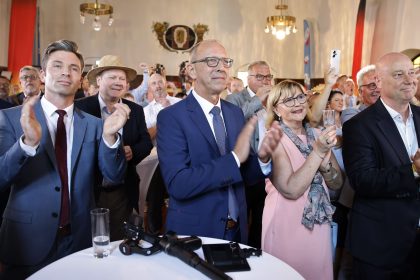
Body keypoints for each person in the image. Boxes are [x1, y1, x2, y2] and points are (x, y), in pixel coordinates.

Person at [0, 39, 129, 279]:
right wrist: (26, 145)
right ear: (42, 74)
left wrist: (111, 137)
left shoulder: (94, 125)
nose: (65, 73)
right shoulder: (11, 118)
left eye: (73, 68)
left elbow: (114, 175)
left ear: (81, 78)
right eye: (57, 66)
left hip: (80, 240)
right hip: (27, 240)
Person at [156, 40, 281, 243]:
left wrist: (263, 159)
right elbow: (179, 184)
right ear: (192, 71)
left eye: (225, 62)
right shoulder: (172, 117)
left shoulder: (234, 113)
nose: (221, 68)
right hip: (195, 232)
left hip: (236, 230)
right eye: (212, 61)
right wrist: (233, 159)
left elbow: (243, 173)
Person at [343, 52, 420, 279]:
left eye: (412, 72)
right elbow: (363, 180)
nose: (409, 80)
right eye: (399, 74)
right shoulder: (359, 126)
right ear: (378, 81)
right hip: (381, 243)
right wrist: (414, 170)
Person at [262, 80, 343, 280]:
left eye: (299, 97)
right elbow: (291, 189)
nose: (297, 104)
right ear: (276, 109)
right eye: (288, 100)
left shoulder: (317, 134)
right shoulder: (272, 139)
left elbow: (337, 183)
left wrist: (326, 169)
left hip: (318, 222)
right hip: (287, 222)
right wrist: (318, 152)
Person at [76, 54, 153, 241]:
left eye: (122, 79)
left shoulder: (134, 110)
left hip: (121, 190)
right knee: (86, 244)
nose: (118, 82)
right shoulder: (80, 108)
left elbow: (146, 143)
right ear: (99, 80)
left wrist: (132, 151)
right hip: (86, 190)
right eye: (112, 77)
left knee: (120, 242)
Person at [225, 61, 273, 248]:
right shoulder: (234, 98)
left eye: (268, 76)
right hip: (244, 166)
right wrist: (257, 100)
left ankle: (259, 251)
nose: (264, 81)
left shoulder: (272, 99)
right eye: (259, 76)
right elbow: (233, 121)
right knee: (242, 214)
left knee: (263, 216)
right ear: (249, 78)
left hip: (268, 165)